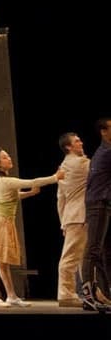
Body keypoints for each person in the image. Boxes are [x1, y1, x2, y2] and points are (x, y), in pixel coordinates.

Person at [0, 148, 64, 307]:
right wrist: (55, 177)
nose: (9, 158)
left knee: (3, 262)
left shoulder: (0, 182)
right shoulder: (6, 181)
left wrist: (30, 194)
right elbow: (33, 181)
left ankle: (11, 295)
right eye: (5, 157)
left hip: (4, 222)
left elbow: (11, 197)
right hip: (0, 222)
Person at [79, 118, 111, 311]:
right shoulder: (107, 152)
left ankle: (103, 293)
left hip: (102, 202)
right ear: (103, 132)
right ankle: (88, 295)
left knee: (100, 250)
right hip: (98, 203)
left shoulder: (103, 152)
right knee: (92, 250)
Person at [57, 132, 89, 307]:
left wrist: (63, 220)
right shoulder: (81, 163)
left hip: (71, 215)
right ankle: (66, 293)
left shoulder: (63, 166)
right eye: (77, 141)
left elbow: (60, 198)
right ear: (68, 147)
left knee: (81, 257)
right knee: (73, 256)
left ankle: (88, 290)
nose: (81, 143)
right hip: (80, 214)